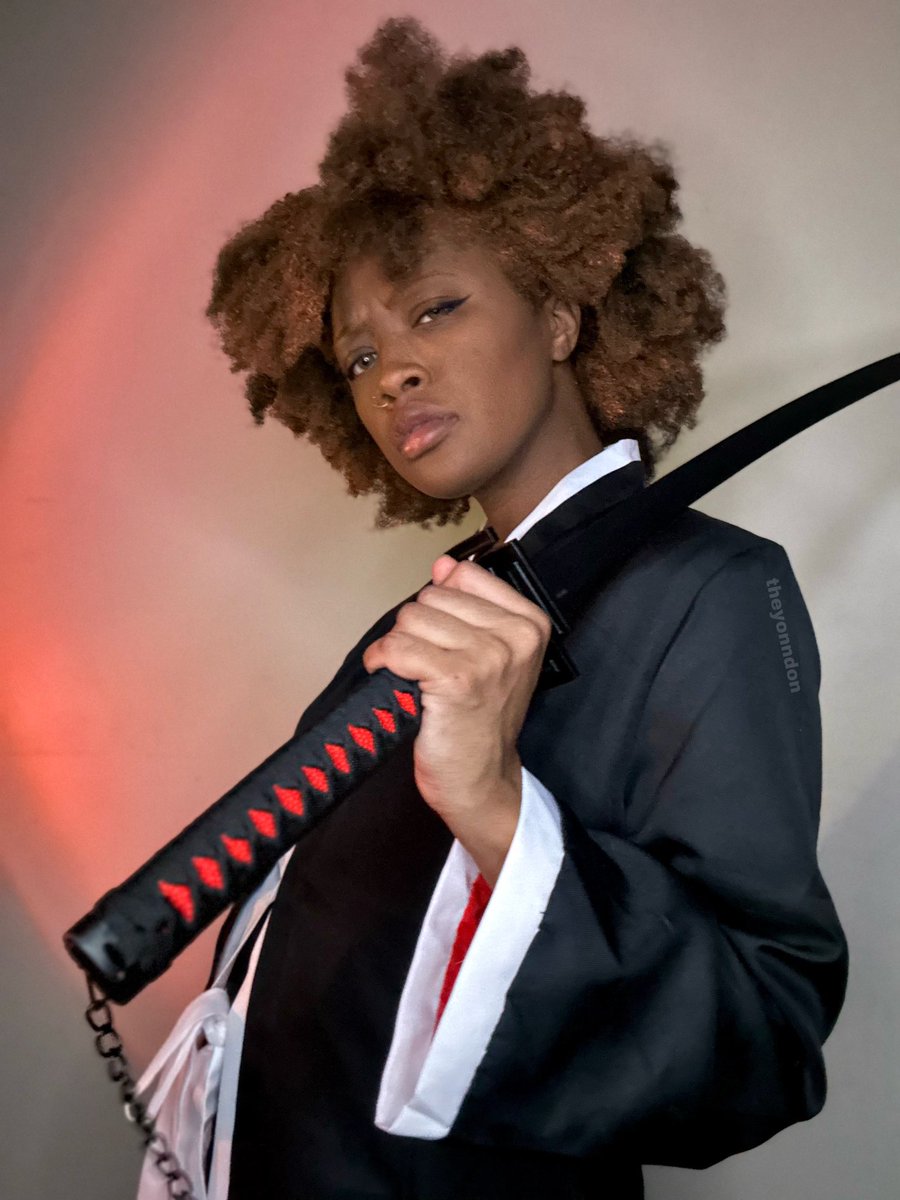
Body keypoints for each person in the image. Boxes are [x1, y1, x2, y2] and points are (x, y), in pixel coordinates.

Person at [135, 16, 848, 1200]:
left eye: (434, 310)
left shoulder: (715, 589)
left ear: (559, 315)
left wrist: (500, 808)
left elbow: (762, 1040)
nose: (393, 375)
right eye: (359, 359)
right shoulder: (432, 613)